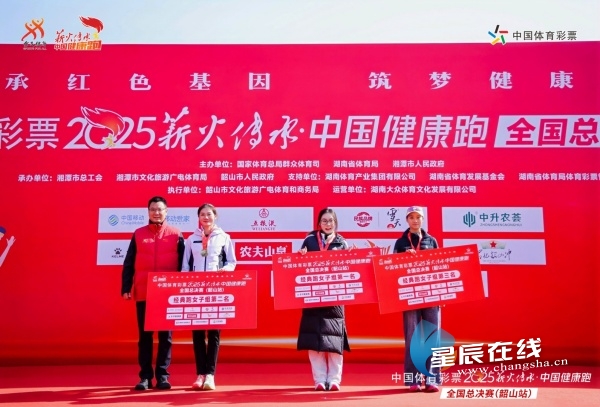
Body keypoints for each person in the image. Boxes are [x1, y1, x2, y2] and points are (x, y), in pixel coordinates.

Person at [121, 196, 184, 391]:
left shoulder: (176, 234)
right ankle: (145, 377)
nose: (156, 212)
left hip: (168, 294)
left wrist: (180, 289)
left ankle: (163, 376)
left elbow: (183, 265)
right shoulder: (139, 234)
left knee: (166, 337)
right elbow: (129, 261)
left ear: (166, 211)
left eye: (160, 209)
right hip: (144, 292)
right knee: (145, 337)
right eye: (153, 209)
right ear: (148, 211)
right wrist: (126, 287)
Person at [182, 203, 236, 391]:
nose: (206, 217)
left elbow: (232, 262)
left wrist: (226, 270)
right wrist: (186, 284)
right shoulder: (191, 239)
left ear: (215, 216)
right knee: (197, 333)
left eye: (209, 214)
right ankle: (200, 374)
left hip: (216, 290)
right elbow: (185, 266)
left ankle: (210, 375)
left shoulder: (224, 237)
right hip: (196, 291)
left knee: (214, 333)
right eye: (202, 214)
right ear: (198, 217)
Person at [297, 208, 350, 391]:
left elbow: (349, 269)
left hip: (335, 298)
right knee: (314, 338)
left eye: (331, 221)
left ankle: (334, 379)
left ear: (335, 223)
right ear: (319, 223)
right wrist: (300, 256)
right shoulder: (310, 241)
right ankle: (319, 379)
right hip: (313, 296)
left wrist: (352, 256)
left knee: (335, 339)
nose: (328, 224)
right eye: (324, 221)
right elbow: (299, 267)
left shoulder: (342, 242)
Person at [393, 205, 441, 393]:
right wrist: (403, 258)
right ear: (407, 220)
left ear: (423, 219)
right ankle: (411, 380)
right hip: (409, 296)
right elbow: (391, 269)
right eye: (411, 217)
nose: (415, 220)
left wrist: (441, 293)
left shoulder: (431, 240)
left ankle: (432, 379)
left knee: (432, 337)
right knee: (412, 337)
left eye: (418, 217)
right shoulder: (400, 243)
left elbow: (440, 267)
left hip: (430, 294)